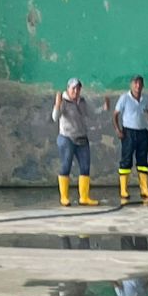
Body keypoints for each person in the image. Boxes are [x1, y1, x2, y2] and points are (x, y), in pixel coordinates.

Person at [51, 78, 108, 207]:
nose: (76, 91)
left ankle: (84, 197)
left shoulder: (82, 101)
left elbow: (92, 114)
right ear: (68, 89)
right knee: (66, 166)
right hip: (67, 138)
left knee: (85, 167)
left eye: (78, 88)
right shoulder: (64, 102)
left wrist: (103, 108)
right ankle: (64, 197)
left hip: (82, 138)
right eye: (73, 88)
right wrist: (57, 104)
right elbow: (55, 117)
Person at [113, 75, 148, 203]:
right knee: (126, 160)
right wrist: (118, 129)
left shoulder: (144, 99)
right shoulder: (124, 98)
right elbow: (115, 115)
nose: (138, 86)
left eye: (140, 83)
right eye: (135, 83)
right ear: (131, 85)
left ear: (143, 85)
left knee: (143, 161)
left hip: (142, 132)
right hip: (129, 132)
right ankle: (123, 189)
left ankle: (144, 189)